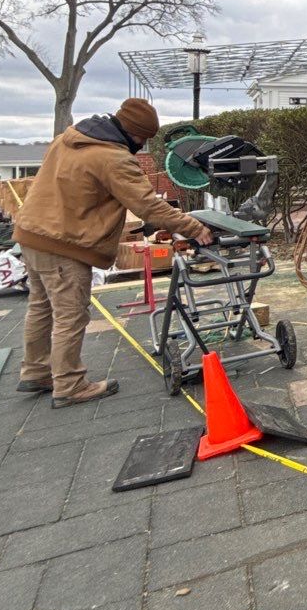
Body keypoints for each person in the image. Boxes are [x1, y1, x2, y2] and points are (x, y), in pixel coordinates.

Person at [14, 98, 214, 406]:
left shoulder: (69, 138)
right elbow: (147, 205)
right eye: (143, 139)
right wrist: (195, 228)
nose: (142, 144)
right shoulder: (113, 157)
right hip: (65, 243)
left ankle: (36, 371)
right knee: (71, 314)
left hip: (31, 235)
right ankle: (69, 385)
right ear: (136, 134)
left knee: (41, 306)